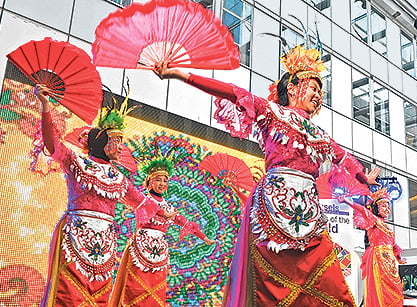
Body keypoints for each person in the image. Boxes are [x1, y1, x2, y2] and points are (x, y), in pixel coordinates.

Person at [153, 45, 378, 306]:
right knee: (271, 286)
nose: (318, 95)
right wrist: (180, 75)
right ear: (293, 89)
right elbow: (233, 92)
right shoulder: (272, 112)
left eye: (320, 91)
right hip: (272, 207)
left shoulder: (320, 135)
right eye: (314, 88)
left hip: (309, 211)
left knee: (329, 278)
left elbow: (343, 159)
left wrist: (364, 179)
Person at [35, 85, 161, 306]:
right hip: (76, 235)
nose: (121, 147)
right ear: (100, 141)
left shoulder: (119, 178)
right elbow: (52, 143)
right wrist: (45, 106)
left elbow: (144, 204)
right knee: (68, 294)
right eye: (116, 141)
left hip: (105, 244)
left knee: (100, 295)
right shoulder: (77, 163)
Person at [109, 156, 216, 306]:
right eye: (158, 179)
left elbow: (187, 224)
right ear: (149, 181)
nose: (162, 184)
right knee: (135, 287)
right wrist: (162, 214)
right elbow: (149, 210)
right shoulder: (142, 200)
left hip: (159, 253)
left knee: (155, 289)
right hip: (140, 249)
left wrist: (205, 238)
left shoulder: (169, 208)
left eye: (165, 181)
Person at [340, 187, 405, 307]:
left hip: (390, 261)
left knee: (395, 287)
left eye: (388, 206)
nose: (387, 209)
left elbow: (393, 244)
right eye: (384, 205)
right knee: (381, 286)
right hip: (378, 258)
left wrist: (399, 258)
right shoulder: (374, 220)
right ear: (376, 207)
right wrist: (346, 201)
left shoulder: (387, 227)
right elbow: (362, 210)